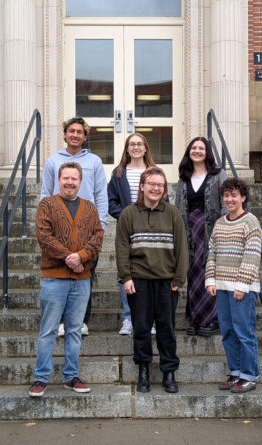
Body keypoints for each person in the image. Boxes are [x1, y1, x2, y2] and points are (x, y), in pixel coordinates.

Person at [29, 162, 104, 398]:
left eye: (74, 178)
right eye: (66, 178)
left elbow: (98, 236)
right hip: (54, 279)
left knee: (74, 330)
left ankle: (71, 376)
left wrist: (81, 257)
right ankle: (41, 378)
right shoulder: (47, 205)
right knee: (48, 330)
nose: (70, 182)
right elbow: (44, 236)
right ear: (59, 180)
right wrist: (69, 258)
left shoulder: (90, 208)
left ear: (80, 182)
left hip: (81, 280)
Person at [115, 167, 188, 394]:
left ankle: (169, 372)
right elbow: (121, 248)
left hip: (167, 282)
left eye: (160, 185)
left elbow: (182, 248)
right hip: (139, 281)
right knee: (141, 328)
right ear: (142, 186)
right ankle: (143, 370)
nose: (156, 188)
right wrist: (125, 277)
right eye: (152, 184)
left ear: (165, 189)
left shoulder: (173, 213)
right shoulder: (129, 213)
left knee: (166, 328)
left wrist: (179, 277)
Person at [41, 116, 108, 336]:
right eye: (71, 131)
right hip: (59, 226)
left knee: (85, 273)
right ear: (65, 134)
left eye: (79, 132)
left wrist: (102, 223)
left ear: (85, 136)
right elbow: (45, 192)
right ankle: (61, 321)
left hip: (87, 227)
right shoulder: (52, 161)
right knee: (61, 273)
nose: (75, 135)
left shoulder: (95, 162)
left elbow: (101, 194)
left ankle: (81, 321)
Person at [205, 177, 262, 393]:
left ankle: (249, 375)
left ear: (243, 197)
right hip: (222, 287)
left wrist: (242, 285)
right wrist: (211, 280)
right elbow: (213, 252)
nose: (230, 199)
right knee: (228, 331)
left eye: (234, 195)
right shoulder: (220, 223)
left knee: (244, 332)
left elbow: (252, 255)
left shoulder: (251, 222)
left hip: (242, 289)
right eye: (226, 195)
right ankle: (236, 372)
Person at [175, 137, 226, 337]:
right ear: (188, 151)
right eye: (193, 148)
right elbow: (179, 206)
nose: (197, 151)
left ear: (207, 152)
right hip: (189, 232)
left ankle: (211, 319)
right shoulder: (183, 178)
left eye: (201, 148)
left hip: (210, 230)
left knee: (209, 271)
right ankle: (196, 318)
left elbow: (224, 202)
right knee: (193, 272)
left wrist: (222, 227)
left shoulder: (218, 174)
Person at [107, 132, 157, 336]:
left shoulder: (154, 172)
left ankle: (149, 320)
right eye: (132, 144)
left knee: (151, 273)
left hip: (152, 229)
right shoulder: (119, 173)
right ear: (127, 149)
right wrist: (126, 216)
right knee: (125, 273)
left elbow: (164, 199)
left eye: (139, 144)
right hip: (127, 229)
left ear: (145, 148)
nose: (136, 147)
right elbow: (111, 202)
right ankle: (128, 318)